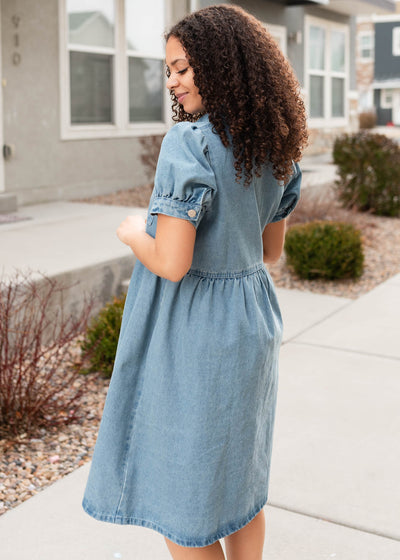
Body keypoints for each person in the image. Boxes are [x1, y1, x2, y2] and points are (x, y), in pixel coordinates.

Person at [82, 5, 307, 560]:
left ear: (222, 63)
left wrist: (136, 232)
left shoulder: (190, 144)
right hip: (251, 325)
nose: (173, 82)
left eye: (183, 68)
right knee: (240, 486)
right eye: (169, 71)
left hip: (193, 336)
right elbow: (271, 253)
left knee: (185, 502)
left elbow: (173, 262)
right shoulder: (276, 147)